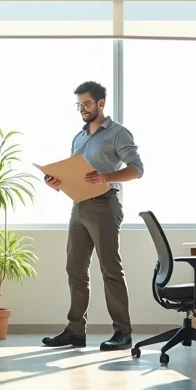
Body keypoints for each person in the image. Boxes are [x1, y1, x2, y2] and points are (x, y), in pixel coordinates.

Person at [42, 81, 144, 351]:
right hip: (79, 207)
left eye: (86, 104)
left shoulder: (118, 133)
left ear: (101, 103)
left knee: (110, 270)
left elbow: (136, 169)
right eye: (79, 105)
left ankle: (123, 332)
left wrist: (106, 176)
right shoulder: (80, 136)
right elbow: (74, 171)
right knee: (75, 269)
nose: (82, 109)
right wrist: (57, 181)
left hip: (104, 206)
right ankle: (76, 331)